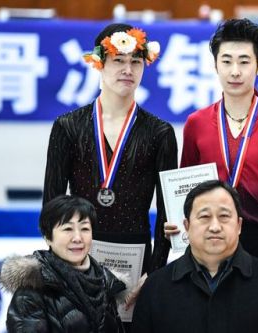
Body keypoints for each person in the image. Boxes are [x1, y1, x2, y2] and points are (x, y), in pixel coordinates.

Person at [43, 23, 178, 297]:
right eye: (118, 60)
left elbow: (168, 213)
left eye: (136, 62)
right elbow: (52, 206)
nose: (128, 70)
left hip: (136, 259)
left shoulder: (160, 133)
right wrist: (59, 267)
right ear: (98, 63)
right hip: (78, 256)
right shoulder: (68, 126)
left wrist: (154, 273)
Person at [166, 18, 258, 282]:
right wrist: (178, 225)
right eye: (227, 61)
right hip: (208, 239)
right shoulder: (197, 123)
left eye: (244, 61)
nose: (235, 71)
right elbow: (186, 191)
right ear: (216, 65)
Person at [132, 180, 258, 333]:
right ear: (187, 225)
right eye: (204, 217)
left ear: (239, 225)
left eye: (224, 216)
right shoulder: (155, 289)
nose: (215, 226)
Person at [0, 195, 129, 332]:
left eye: (84, 229)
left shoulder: (106, 282)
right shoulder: (31, 290)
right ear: (48, 237)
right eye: (67, 229)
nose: (78, 238)